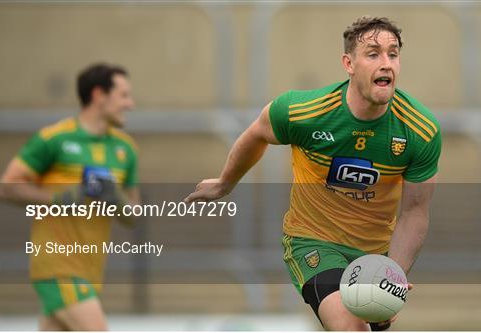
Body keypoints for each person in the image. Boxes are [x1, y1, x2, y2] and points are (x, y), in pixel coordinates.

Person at [185, 16, 441, 331]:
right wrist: (225, 182)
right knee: (348, 328)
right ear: (349, 63)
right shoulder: (304, 112)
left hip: (375, 252)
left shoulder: (419, 131)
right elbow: (256, 134)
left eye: (393, 54)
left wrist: (393, 276)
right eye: (373, 54)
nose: (386, 63)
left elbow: (415, 211)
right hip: (314, 241)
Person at [0, 63, 140, 330]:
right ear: (99, 95)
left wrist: (116, 199)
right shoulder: (54, 139)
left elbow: (134, 216)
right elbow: (6, 187)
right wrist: (59, 198)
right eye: (124, 95)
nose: (130, 104)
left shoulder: (126, 149)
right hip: (57, 268)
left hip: (90, 273)